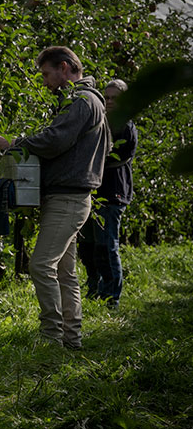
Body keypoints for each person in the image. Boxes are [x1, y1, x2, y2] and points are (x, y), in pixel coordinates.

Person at [0, 46, 110, 350]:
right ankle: (71, 339)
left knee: (41, 265)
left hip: (68, 199)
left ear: (66, 67)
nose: (45, 82)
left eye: (47, 74)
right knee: (64, 272)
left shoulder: (80, 102)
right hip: (71, 197)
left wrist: (14, 143)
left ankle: (52, 336)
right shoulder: (88, 102)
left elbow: (56, 139)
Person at [77, 79, 137, 308]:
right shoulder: (99, 121)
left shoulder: (125, 126)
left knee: (106, 245)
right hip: (93, 191)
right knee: (88, 245)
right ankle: (95, 288)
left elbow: (114, 156)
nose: (110, 101)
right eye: (107, 97)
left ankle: (112, 297)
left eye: (115, 98)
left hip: (113, 194)